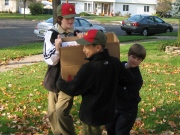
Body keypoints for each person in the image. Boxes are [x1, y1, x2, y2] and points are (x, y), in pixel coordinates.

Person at [56, 29, 124, 135]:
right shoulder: (115, 62)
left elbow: (73, 89)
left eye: (86, 46)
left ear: (97, 47)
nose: (83, 50)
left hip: (91, 114)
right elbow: (125, 79)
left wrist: (59, 81)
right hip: (108, 111)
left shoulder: (89, 68)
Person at [43, 3, 79, 135]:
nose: (71, 20)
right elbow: (49, 60)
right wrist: (58, 50)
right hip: (54, 77)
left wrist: (83, 43)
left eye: (72, 17)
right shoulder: (51, 34)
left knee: (61, 111)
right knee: (52, 113)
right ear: (59, 18)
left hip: (69, 79)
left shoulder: (76, 34)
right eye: (67, 18)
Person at [105, 43, 146, 135]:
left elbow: (127, 94)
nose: (135, 61)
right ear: (128, 55)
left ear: (141, 61)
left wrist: (115, 84)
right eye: (133, 57)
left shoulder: (137, 78)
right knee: (110, 130)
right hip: (113, 106)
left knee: (121, 132)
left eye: (139, 59)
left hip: (127, 110)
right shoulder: (120, 66)